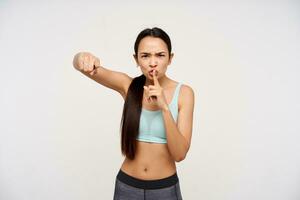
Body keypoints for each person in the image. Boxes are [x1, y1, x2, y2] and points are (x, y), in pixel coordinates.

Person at [73, 27, 194, 200]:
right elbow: (83, 67)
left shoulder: (184, 93)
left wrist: (164, 107)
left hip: (164, 189)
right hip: (127, 187)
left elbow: (180, 154)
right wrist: (81, 58)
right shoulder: (128, 86)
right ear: (136, 59)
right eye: (145, 56)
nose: (153, 62)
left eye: (160, 55)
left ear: (170, 58)